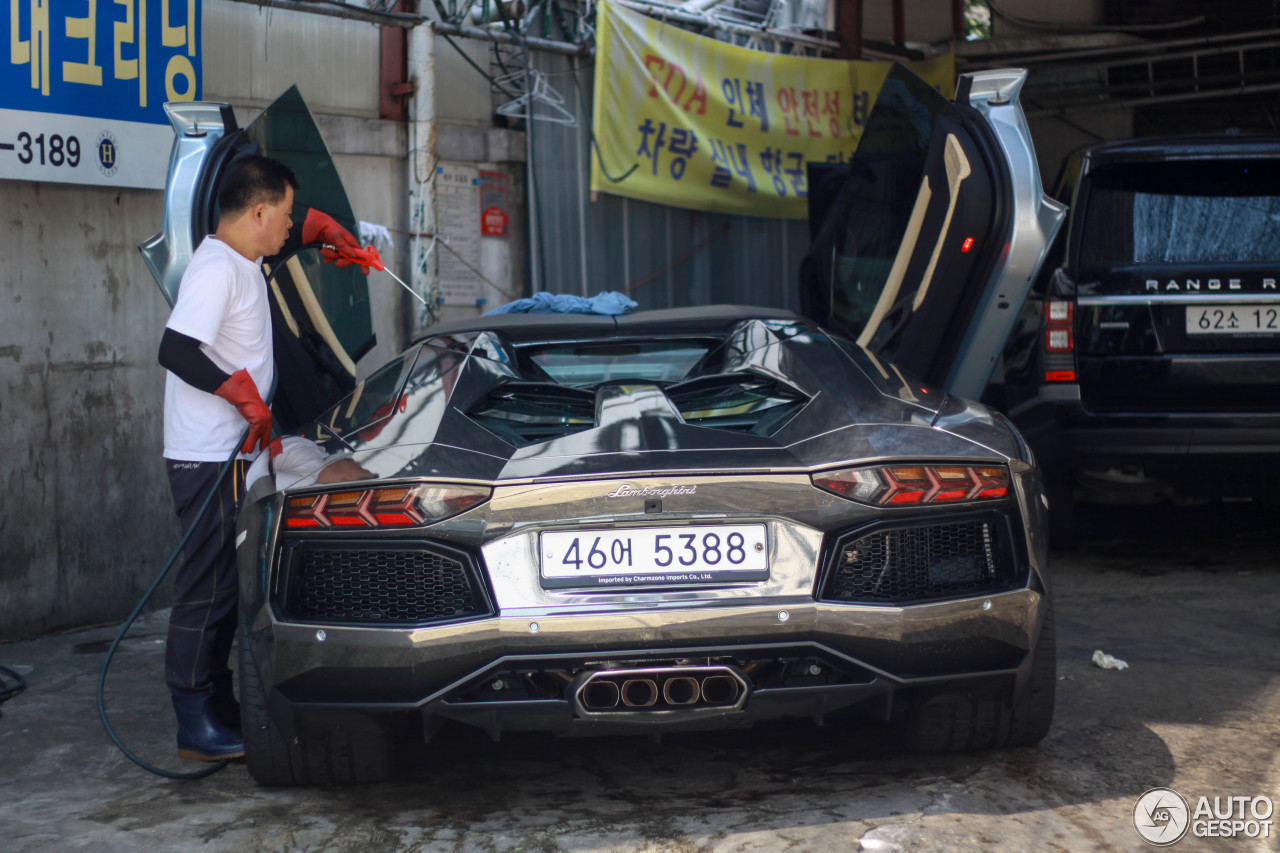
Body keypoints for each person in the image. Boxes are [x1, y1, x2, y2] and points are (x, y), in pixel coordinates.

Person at [156, 154, 363, 761]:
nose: (289, 224)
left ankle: (216, 703)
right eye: (288, 213)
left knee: (227, 585)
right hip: (209, 457)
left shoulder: (246, 255)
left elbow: (286, 236)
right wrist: (240, 393)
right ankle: (193, 718)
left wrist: (324, 231)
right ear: (258, 211)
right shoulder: (217, 268)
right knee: (209, 588)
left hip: (240, 454)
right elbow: (175, 348)